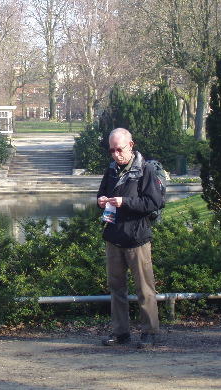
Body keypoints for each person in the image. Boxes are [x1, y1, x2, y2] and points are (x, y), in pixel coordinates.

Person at [97, 128, 162, 348]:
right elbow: (100, 194)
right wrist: (102, 200)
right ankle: (120, 332)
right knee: (116, 288)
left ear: (131, 145)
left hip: (137, 238)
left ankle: (150, 332)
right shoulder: (111, 170)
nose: (116, 154)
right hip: (114, 236)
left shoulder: (146, 170)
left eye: (120, 149)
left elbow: (153, 203)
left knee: (144, 288)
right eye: (112, 150)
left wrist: (125, 202)